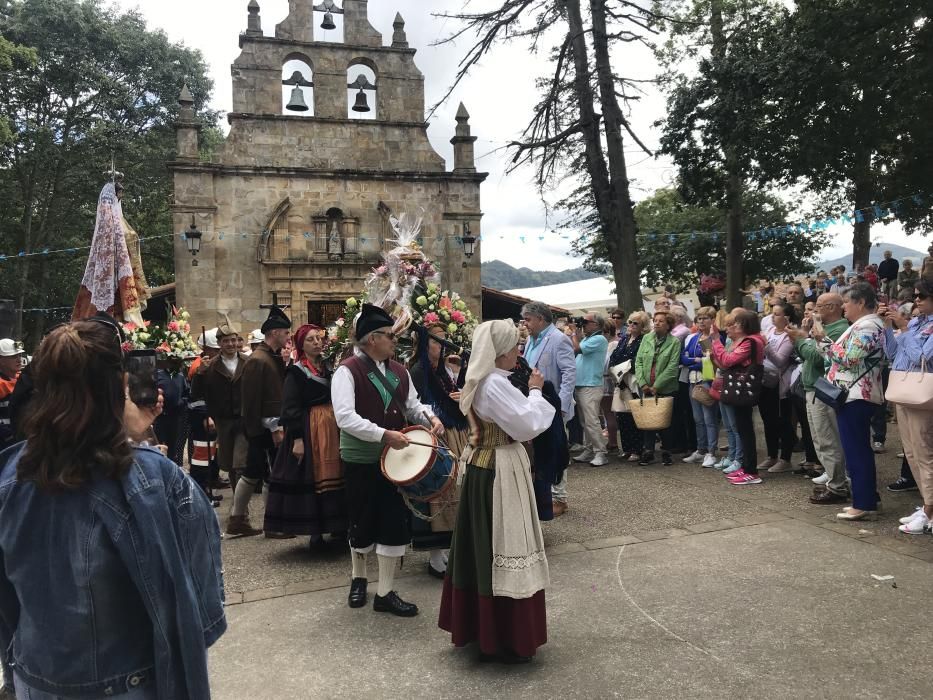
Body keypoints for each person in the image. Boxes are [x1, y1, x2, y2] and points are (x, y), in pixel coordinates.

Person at [0, 319, 224, 698]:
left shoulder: (10, 473)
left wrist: (134, 437)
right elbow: (201, 611)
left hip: (35, 676)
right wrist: (141, 445)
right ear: (119, 385)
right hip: (126, 683)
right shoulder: (158, 480)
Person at [438, 319, 554, 663]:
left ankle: (481, 627)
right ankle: (505, 633)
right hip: (499, 469)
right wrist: (535, 390)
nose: (519, 351)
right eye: (515, 346)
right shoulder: (494, 384)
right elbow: (527, 424)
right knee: (505, 539)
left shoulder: (480, 379)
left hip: (483, 466)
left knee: (483, 544)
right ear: (502, 351)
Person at [332, 304, 443, 617]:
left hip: (395, 460)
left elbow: (412, 406)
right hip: (361, 458)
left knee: (393, 523)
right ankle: (359, 577)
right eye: (389, 336)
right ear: (371, 339)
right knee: (361, 520)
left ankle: (385, 592)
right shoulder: (347, 371)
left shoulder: (399, 371)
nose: (396, 341)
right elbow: (344, 418)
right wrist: (383, 434)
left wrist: (430, 418)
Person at [264, 323, 347, 548]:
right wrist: (298, 439)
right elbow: (290, 407)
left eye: (319, 338)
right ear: (301, 345)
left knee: (337, 472)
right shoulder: (296, 371)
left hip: (332, 426)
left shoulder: (329, 367)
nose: (317, 343)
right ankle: (315, 531)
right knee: (313, 475)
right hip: (310, 428)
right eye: (311, 340)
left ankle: (338, 525)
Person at [812, 283, 885, 521]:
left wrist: (824, 341)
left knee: (856, 450)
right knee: (856, 449)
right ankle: (867, 498)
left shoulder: (869, 325)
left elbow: (850, 359)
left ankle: (863, 503)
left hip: (857, 396)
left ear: (861, 302)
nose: (844, 307)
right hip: (852, 394)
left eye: (847, 302)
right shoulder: (863, 325)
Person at [407, 322, 469, 578]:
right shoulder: (419, 370)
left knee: (455, 490)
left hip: (454, 431)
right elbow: (416, 405)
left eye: (444, 341)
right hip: (437, 434)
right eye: (436, 341)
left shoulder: (442, 370)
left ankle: (445, 551)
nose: (442, 347)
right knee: (438, 491)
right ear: (424, 343)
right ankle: (434, 556)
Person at [227, 304, 291, 537]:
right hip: (262, 429)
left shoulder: (269, 357)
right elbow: (253, 401)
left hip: (265, 427)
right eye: (285, 333)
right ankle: (269, 524)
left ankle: (238, 520)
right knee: (267, 474)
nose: (287, 337)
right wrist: (272, 427)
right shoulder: (258, 359)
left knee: (256, 473)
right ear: (274, 333)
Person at [881, 280, 933, 533]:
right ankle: (927, 507)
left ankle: (929, 510)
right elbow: (893, 354)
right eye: (915, 296)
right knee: (912, 454)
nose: (917, 300)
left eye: (922, 296)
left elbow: (922, 359)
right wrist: (890, 328)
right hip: (904, 391)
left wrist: (905, 329)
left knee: (925, 454)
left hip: (923, 396)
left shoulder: (922, 327)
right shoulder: (915, 323)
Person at [788, 294, 850, 504]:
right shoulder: (824, 327)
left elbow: (815, 356)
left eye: (819, 306)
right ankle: (835, 480)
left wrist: (801, 338)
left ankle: (838, 486)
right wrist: (804, 338)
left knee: (828, 439)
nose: (815, 310)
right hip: (813, 388)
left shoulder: (837, 329)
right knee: (820, 439)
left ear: (832, 307)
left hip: (823, 389)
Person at [521, 301, 575, 516]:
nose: (525, 324)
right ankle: (544, 495)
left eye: (528, 319)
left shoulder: (559, 339)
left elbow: (569, 374)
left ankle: (559, 498)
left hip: (553, 405)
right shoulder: (531, 340)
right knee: (541, 451)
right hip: (535, 403)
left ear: (541, 319)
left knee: (557, 450)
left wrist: (560, 405)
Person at [191, 322, 249, 499]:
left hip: (244, 420)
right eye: (226, 341)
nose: (231, 344)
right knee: (230, 464)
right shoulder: (210, 366)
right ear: (220, 344)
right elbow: (197, 394)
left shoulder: (248, 362)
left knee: (241, 463)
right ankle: (237, 501)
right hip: (223, 421)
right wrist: (199, 375)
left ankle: (241, 511)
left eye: (234, 340)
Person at [710, 309, 765, 485]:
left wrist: (716, 341)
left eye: (736, 323)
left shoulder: (750, 342)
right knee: (742, 428)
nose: (732, 326)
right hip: (739, 388)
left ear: (745, 325)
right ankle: (746, 466)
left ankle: (751, 471)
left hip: (744, 389)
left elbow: (727, 361)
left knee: (746, 430)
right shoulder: (743, 341)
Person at [634, 311, 682, 466]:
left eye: (661, 321)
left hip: (665, 387)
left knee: (666, 422)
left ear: (668, 324)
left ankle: (666, 451)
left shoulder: (674, 342)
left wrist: (657, 386)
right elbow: (639, 361)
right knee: (648, 420)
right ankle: (648, 451)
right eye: (655, 320)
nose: (657, 323)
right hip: (646, 387)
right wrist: (642, 383)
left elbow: (672, 367)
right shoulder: (647, 339)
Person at [757, 303, 799, 474]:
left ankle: (785, 458)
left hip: (780, 384)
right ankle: (771, 455)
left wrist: (766, 346)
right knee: (768, 420)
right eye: (772, 314)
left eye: (777, 314)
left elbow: (781, 361)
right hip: (765, 380)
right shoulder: (769, 331)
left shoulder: (790, 335)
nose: (772, 317)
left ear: (787, 317)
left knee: (783, 421)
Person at [681, 307, 720, 467]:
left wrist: (695, 361)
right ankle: (701, 449)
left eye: (705, 318)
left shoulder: (713, 339)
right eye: (699, 319)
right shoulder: (692, 338)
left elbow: (711, 361)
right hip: (692, 380)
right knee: (697, 419)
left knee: (709, 419)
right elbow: (683, 358)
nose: (701, 321)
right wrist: (696, 360)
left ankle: (711, 452)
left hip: (707, 381)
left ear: (712, 320)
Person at [608, 311, 649, 461]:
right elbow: (614, 357)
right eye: (630, 322)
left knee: (634, 415)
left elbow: (638, 359)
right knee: (621, 415)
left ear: (643, 326)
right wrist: (616, 369)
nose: (631, 325)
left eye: (635, 323)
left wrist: (623, 366)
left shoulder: (643, 340)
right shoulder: (624, 339)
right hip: (620, 379)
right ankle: (626, 448)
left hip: (633, 379)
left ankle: (637, 449)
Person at [571, 312, 610, 467]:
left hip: (591, 385)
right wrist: (579, 333)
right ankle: (589, 449)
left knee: (592, 421)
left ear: (596, 324)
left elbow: (576, 349)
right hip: (582, 383)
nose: (584, 323)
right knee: (584, 421)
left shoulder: (599, 339)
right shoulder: (588, 338)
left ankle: (601, 452)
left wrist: (574, 332)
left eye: (587, 321)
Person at [0, 340, 23, 451]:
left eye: (19, 355)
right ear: (1, 360)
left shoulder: (24, 380)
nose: (19, 359)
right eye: (13, 356)